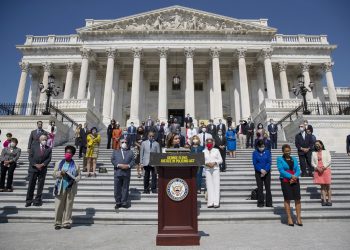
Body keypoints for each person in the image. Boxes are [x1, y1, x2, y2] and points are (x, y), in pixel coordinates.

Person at [52, 145, 81, 230]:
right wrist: (60, 173)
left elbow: (79, 175)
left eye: (69, 153)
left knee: (69, 206)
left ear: (72, 154)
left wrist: (75, 179)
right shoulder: (59, 163)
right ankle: (57, 222)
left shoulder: (76, 165)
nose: (67, 154)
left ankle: (66, 222)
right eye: (66, 152)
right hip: (60, 187)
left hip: (70, 187)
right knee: (59, 205)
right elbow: (53, 174)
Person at [277, 144, 302, 226]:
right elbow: (281, 170)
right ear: (283, 151)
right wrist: (291, 176)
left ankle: (298, 217)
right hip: (285, 180)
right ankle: (289, 218)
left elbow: (298, 169)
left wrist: (295, 176)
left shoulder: (294, 159)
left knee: (297, 198)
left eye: (289, 151)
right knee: (287, 198)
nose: (288, 152)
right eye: (286, 151)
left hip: (295, 180)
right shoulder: (279, 159)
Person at [25, 134, 52, 207]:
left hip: (42, 169)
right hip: (33, 169)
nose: (44, 141)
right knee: (31, 185)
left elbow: (49, 159)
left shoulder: (49, 148)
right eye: (43, 139)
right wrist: (35, 164)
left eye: (46, 140)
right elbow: (30, 157)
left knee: (40, 186)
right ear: (40, 140)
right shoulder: (34, 147)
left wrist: (43, 164)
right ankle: (29, 200)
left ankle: (37, 200)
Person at [112, 138, 135, 209]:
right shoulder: (115, 151)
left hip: (126, 172)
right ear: (119, 143)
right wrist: (119, 165)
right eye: (122, 142)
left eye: (125, 142)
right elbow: (113, 160)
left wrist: (128, 166)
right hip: (118, 172)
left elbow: (133, 161)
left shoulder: (130, 152)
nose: (124, 143)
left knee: (125, 188)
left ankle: (124, 202)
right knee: (117, 188)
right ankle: (118, 202)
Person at [252, 140, 273, 208]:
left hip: (267, 172)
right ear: (257, 147)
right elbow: (255, 163)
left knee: (268, 188)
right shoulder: (255, 153)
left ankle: (269, 203)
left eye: (263, 146)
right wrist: (261, 170)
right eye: (260, 147)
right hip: (258, 172)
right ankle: (260, 202)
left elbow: (269, 162)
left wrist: (265, 170)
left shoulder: (267, 152)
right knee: (260, 188)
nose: (262, 148)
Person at [312, 140, 332, 206]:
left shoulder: (326, 151)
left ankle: (329, 200)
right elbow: (312, 163)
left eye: (318, 144)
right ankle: (324, 200)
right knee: (322, 186)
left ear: (321, 145)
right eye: (316, 145)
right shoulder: (314, 153)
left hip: (326, 169)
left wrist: (323, 167)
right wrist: (317, 168)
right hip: (318, 170)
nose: (317, 146)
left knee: (328, 186)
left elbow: (329, 161)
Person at [203, 138, 222, 208]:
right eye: (208, 142)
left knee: (216, 185)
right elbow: (202, 161)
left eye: (210, 142)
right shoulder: (204, 151)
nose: (209, 144)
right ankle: (210, 202)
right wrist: (207, 164)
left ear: (213, 143)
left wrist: (215, 163)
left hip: (215, 169)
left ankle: (216, 202)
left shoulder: (216, 150)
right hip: (207, 169)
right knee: (209, 186)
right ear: (205, 143)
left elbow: (220, 160)